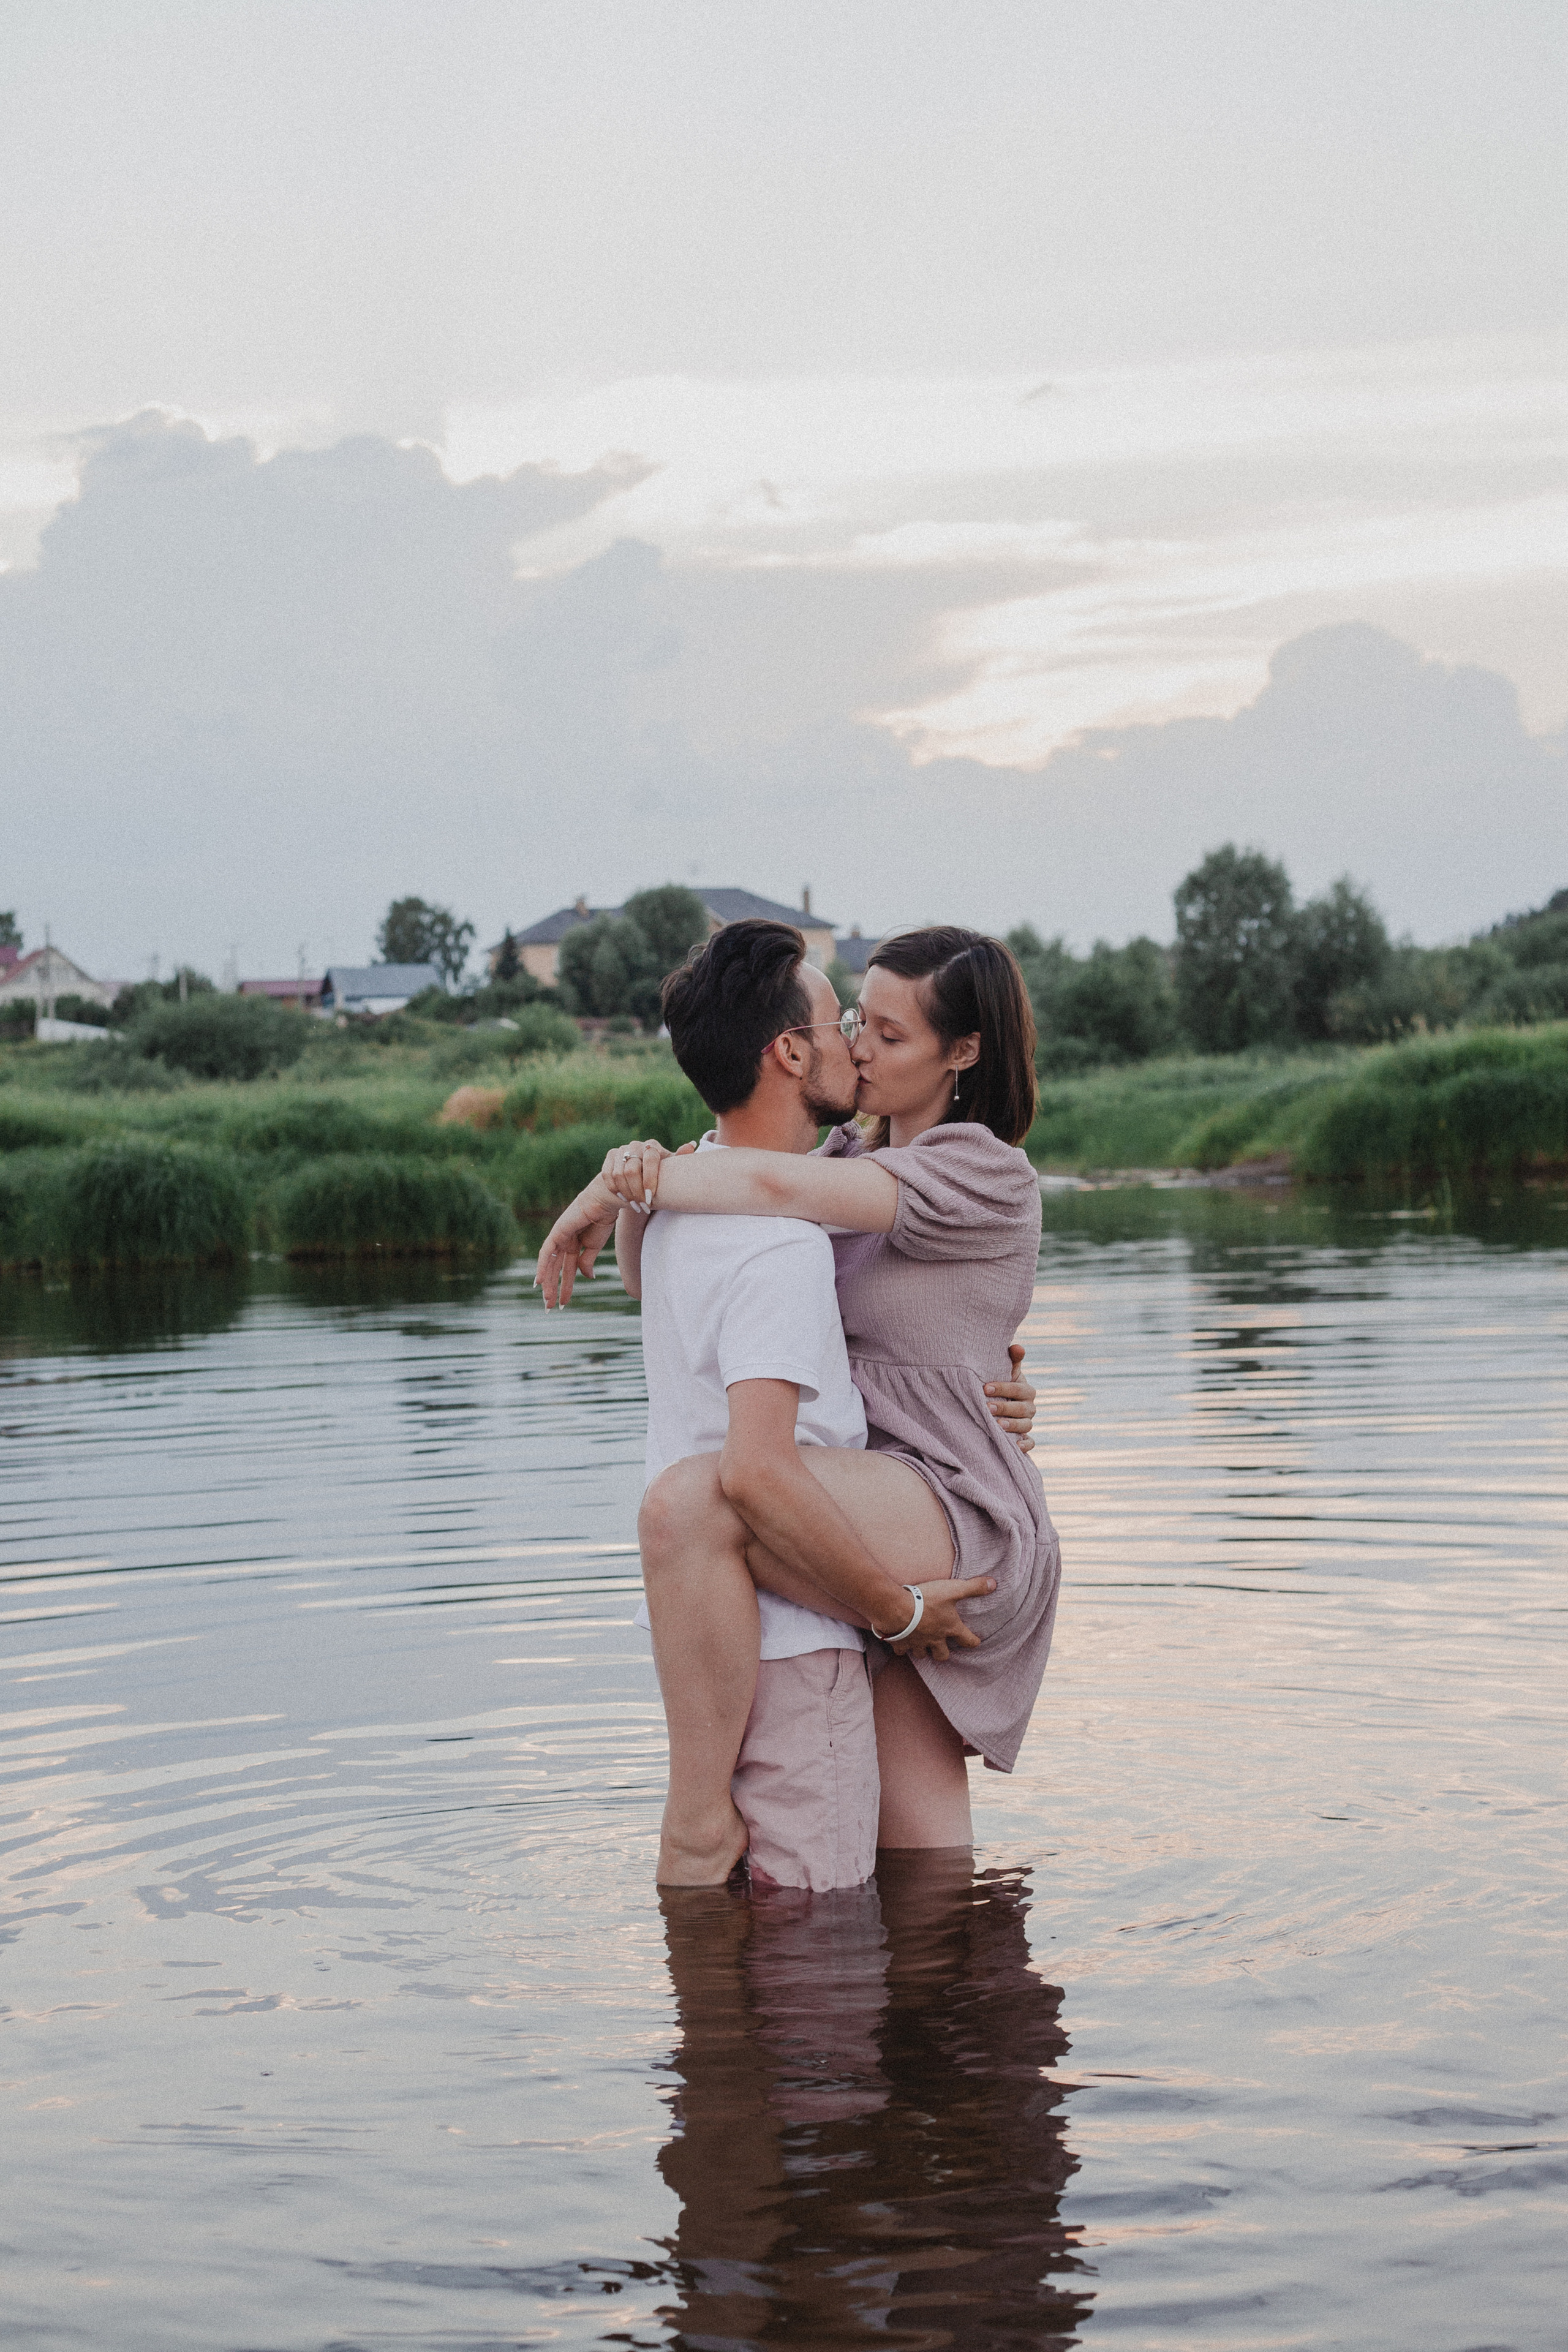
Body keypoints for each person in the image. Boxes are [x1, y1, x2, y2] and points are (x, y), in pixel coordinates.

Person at [537, 921, 1058, 1885]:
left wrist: (609, 1189)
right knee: (927, 1874)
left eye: (892, 1038)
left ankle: (695, 1828)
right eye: (859, 1020)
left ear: (964, 1051)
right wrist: (647, 1176)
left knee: (698, 1497)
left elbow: (773, 1181)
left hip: (953, 1507)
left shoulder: (978, 1168)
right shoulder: (841, 1149)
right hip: (863, 1501)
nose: (859, 1046)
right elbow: (722, 1216)